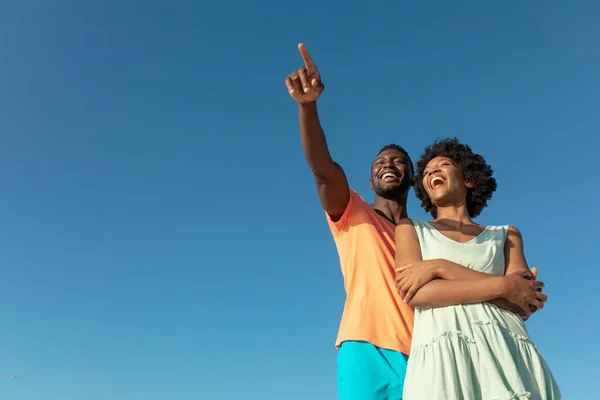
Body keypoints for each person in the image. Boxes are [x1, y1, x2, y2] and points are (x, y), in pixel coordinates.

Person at [285, 43, 415, 399]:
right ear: (370, 181)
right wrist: (307, 106)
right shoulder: (353, 210)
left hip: (424, 352)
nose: (388, 164)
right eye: (379, 163)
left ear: (412, 179)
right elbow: (324, 170)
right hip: (365, 347)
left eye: (398, 161)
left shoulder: (423, 235)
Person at [394, 138, 562, 399]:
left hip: (508, 350)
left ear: (468, 179)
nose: (432, 172)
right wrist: (504, 286)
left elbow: (522, 304)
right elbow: (415, 293)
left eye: (444, 165)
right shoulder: (410, 228)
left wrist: (440, 268)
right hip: (444, 355)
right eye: (426, 172)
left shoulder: (507, 235)